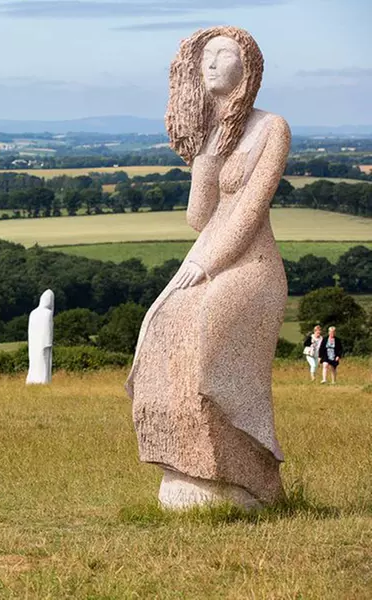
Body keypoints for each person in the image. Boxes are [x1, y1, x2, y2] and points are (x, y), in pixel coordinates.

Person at [125, 27, 290, 508]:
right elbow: (200, 217)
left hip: (250, 266)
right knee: (160, 325)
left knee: (204, 325)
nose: (212, 63)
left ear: (249, 67)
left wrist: (207, 264)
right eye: (206, 57)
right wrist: (206, 156)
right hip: (205, 255)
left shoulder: (271, 127)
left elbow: (247, 212)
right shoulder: (215, 135)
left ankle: (244, 477)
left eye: (225, 54)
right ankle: (188, 465)